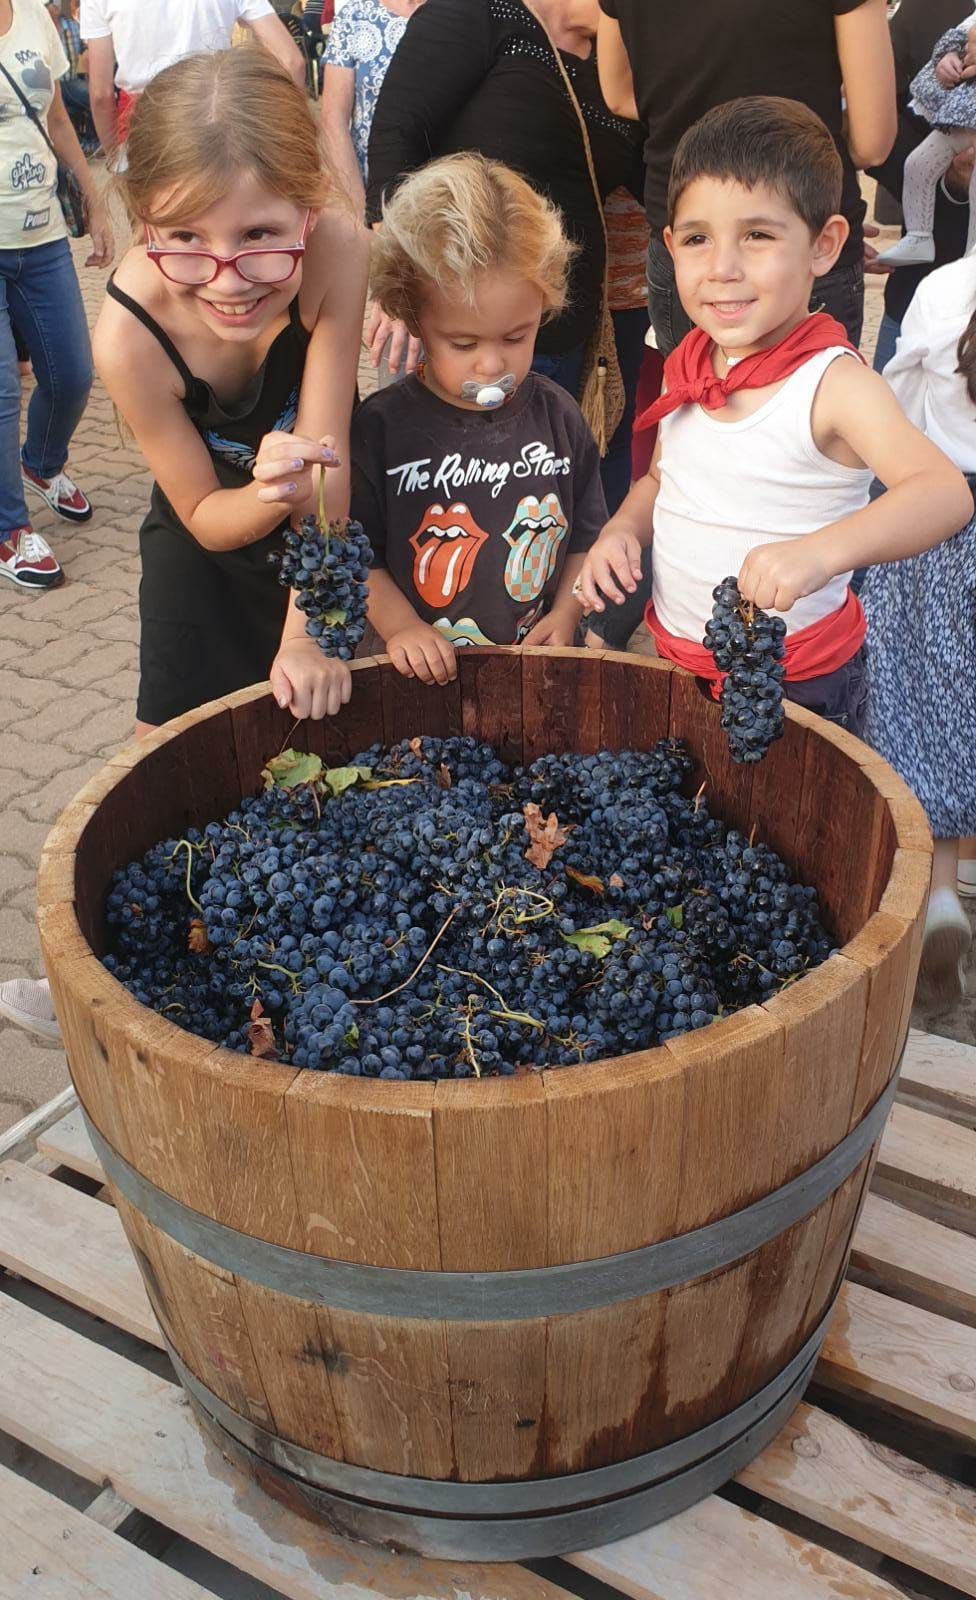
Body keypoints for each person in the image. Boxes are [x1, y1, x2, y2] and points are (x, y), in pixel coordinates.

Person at [0, 47, 367, 1044]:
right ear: (140, 218)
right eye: (182, 238)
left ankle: (288, 981)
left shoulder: (339, 251)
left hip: (323, 531)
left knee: (323, 749)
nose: (226, 277)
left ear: (309, 204)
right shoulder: (126, 334)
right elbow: (205, 514)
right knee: (162, 756)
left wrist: (310, 630)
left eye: (260, 235)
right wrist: (263, 490)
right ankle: (80, 976)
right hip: (205, 540)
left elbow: (328, 470)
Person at [576, 98, 972, 738]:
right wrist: (624, 528)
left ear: (823, 246)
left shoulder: (833, 384)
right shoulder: (689, 358)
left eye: (758, 235)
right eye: (699, 239)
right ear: (670, 246)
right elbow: (660, 479)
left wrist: (820, 553)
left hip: (797, 686)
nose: (724, 268)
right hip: (678, 664)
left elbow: (943, 493)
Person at [355, 153, 603, 685]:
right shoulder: (381, 430)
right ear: (413, 315)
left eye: (517, 337)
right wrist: (400, 629)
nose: (492, 364)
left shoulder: (558, 415)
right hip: (415, 679)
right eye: (463, 343)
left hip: (535, 673)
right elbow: (359, 556)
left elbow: (587, 537)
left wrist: (567, 614)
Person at [363, 0, 644, 435]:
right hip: (453, 329)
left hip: (555, 333)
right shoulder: (480, 11)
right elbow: (393, 143)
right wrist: (404, 291)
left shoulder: (626, 61)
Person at [596, 0, 897, 353]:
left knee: (694, 397)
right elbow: (871, 143)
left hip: (687, 233)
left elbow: (618, 96)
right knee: (812, 400)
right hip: (795, 222)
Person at [861, 257, 976, 996]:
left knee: (921, 710)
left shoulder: (944, 292)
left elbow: (894, 404)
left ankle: (936, 892)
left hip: (937, 525)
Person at [0, 0, 112, 591]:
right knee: (0, 395)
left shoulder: (36, 17)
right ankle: (9, 529)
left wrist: (94, 201)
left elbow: (57, 120)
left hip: (40, 233)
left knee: (72, 372)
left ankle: (40, 463)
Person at [79, 0, 306, 165]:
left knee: (150, 226)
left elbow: (101, 94)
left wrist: (115, 159)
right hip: (216, 120)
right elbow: (292, 61)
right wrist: (280, 140)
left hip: (142, 128)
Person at [878, 16, 976, 266]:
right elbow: (955, 39)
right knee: (918, 164)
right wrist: (947, 59)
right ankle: (919, 236)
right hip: (959, 118)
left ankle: (971, 259)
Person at [319, 0, 424, 217]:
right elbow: (333, 119)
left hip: (444, 195)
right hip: (371, 190)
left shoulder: (462, 11)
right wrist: (359, 210)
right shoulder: (355, 16)